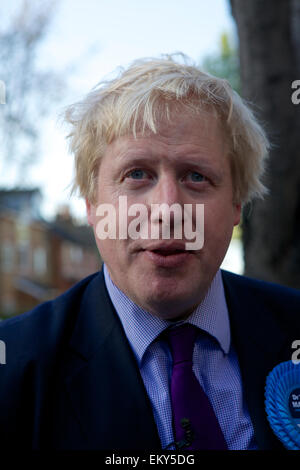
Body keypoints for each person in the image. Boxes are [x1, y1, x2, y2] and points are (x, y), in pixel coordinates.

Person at [0, 54, 299, 451]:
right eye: (137, 174)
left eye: (197, 176)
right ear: (91, 204)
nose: (168, 209)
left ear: (235, 206)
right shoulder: (14, 372)